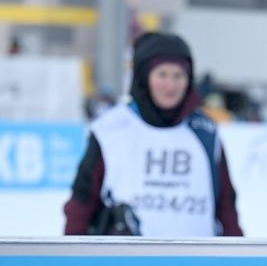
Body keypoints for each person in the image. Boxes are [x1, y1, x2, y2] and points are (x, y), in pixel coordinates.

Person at [64, 32, 242, 236]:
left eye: (178, 76)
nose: (171, 85)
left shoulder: (205, 131)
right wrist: (72, 256)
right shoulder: (111, 129)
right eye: (162, 75)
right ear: (144, 76)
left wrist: (238, 255)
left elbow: (226, 205)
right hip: (126, 263)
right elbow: (82, 201)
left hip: (195, 263)